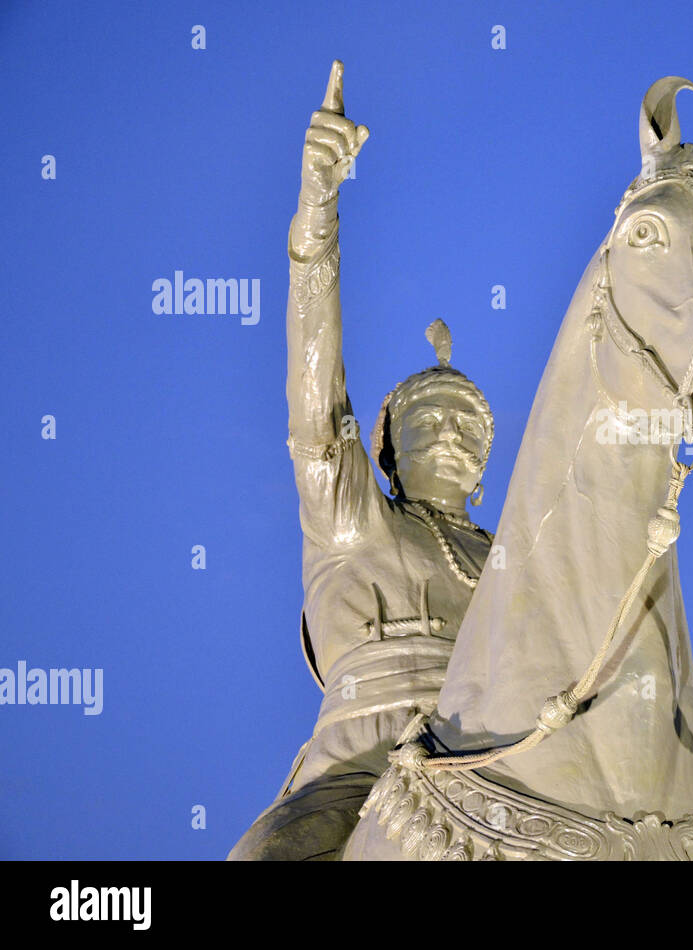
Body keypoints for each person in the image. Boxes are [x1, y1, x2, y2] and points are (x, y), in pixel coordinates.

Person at [229, 61, 495, 861]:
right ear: (385, 452)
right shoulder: (354, 519)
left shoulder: (514, 555)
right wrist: (319, 207)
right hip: (361, 762)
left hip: (503, 756)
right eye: (428, 420)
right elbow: (317, 406)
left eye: (468, 428)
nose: (450, 433)